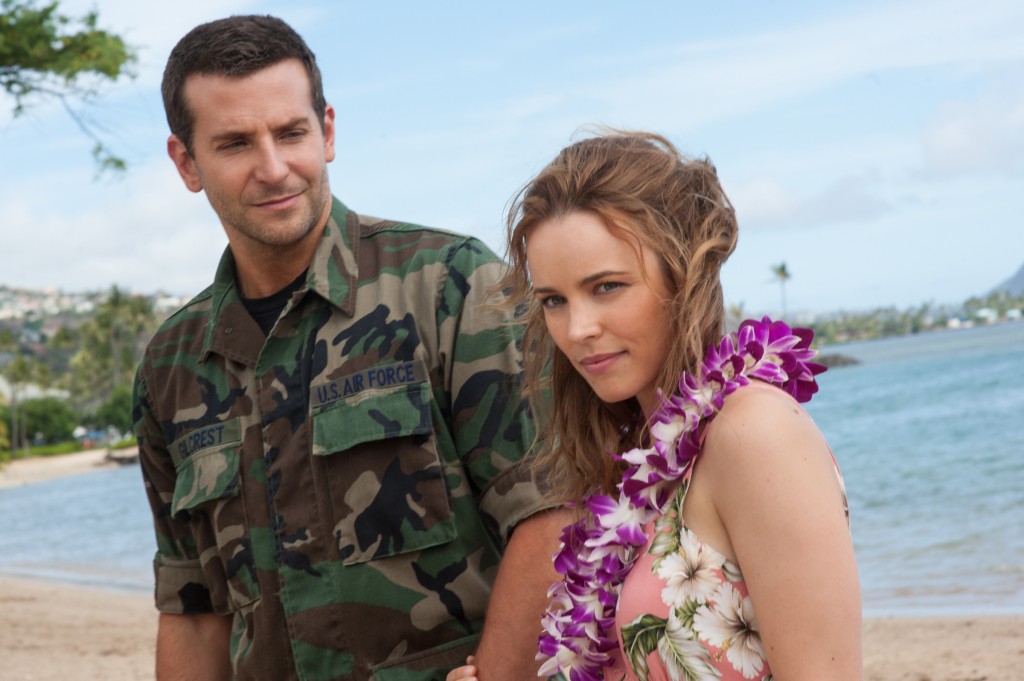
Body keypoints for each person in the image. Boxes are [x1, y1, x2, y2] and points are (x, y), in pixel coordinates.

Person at [131, 15, 568, 681]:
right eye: (235, 143)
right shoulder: (171, 366)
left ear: (327, 130)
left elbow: (550, 513)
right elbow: (194, 607)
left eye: (291, 132)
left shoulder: (451, 284)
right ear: (186, 162)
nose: (274, 168)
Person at [447, 131, 862, 680]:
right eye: (554, 300)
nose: (578, 329)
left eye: (607, 287)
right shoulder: (634, 465)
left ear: (682, 274)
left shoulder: (754, 432)